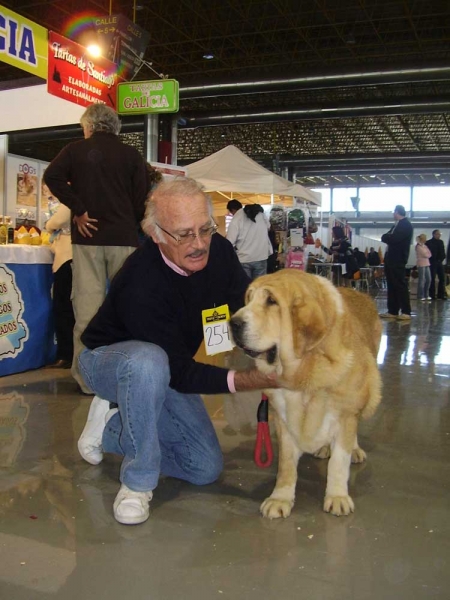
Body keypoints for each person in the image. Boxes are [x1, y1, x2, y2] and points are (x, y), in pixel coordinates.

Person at [76, 178, 278, 526]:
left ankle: (113, 425)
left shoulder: (222, 253)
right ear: (155, 234)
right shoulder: (140, 280)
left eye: (205, 229)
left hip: (167, 368)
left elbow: (243, 313)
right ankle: (137, 482)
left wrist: (275, 352)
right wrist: (247, 379)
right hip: (109, 362)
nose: (199, 244)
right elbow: (182, 373)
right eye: (184, 234)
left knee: (203, 467)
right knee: (148, 361)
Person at [43, 103, 148, 394]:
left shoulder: (75, 150)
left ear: (89, 126)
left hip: (87, 239)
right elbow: (141, 199)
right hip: (124, 240)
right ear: (115, 127)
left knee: (87, 310)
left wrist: (78, 209)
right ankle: (125, 373)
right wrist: (129, 222)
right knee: (126, 307)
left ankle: (87, 380)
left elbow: (51, 176)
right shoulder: (131, 155)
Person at [44, 198, 75, 368]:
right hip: (74, 257)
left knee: (63, 307)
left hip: (66, 258)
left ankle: (65, 354)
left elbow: (57, 220)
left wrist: (49, 224)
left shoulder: (71, 199)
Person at [380, 205, 413, 320]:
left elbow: (392, 238)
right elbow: (385, 236)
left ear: (397, 212)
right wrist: (387, 236)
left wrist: (387, 236)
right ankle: (392, 310)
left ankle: (406, 311)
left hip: (398, 259)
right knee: (391, 284)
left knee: (400, 284)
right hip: (391, 258)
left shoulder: (405, 225)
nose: (393, 214)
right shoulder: (396, 225)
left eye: (394, 212)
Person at [226, 201, 272, 280]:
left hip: (244, 258)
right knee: (259, 287)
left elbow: (229, 242)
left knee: (245, 287)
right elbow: (268, 227)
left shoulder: (236, 218)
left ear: (232, 210)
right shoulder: (260, 214)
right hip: (261, 256)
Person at [426, 229, 447, 300]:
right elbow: (428, 253)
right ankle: (432, 295)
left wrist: (442, 258)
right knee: (432, 278)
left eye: (440, 234)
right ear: (434, 234)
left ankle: (440, 295)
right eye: (438, 234)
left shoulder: (441, 242)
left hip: (439, 262)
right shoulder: (429, 242)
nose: (439, 235)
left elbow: (443, 252)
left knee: (442, 278)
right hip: (432, 262)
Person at [415, 234, 432, 301]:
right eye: (424, 238)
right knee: (422, 280)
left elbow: (429, 254)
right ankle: (420, 295)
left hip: (427, 263)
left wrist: (427, 254)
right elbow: (425, 254)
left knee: (428, 279)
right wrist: (427, 254)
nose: (426, 239)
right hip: (421, 264)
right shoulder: (418, 246)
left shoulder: (425, 246)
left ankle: (426, 295)